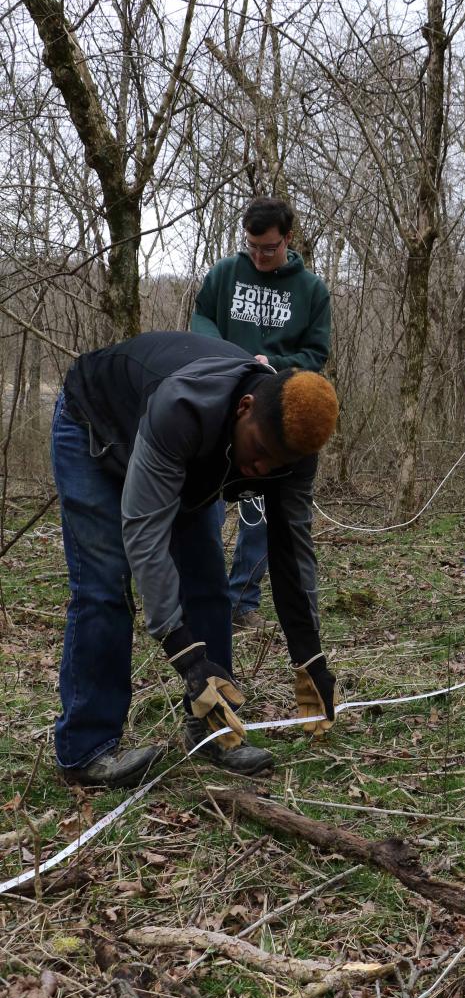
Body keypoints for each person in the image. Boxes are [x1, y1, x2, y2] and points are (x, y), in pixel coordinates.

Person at [50, 331, 339, 788]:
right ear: (244, 408)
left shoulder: (293, 448)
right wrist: (187, 659)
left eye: (277, 463)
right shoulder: (183, 407)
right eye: (260, 451)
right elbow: (145, 536)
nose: (262, 470)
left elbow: (291, 551)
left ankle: (214, 730)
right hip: (96, 428)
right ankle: (86, 751)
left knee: (207, 582)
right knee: (105, 584)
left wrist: (311, 657)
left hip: (187, 461)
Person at [191, 197, 331, 633]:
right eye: (251, 245)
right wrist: (227, 355)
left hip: (274, 411)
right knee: (203, 505)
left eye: (267, 247)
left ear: (287, 239)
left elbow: (315, 354)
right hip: (222, 406)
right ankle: (202, 597)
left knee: (261, 515)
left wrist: (271, 362)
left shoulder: (311, 290)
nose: (258, 254)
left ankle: (242, 601)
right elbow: (201, 318)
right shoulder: (225, 274)